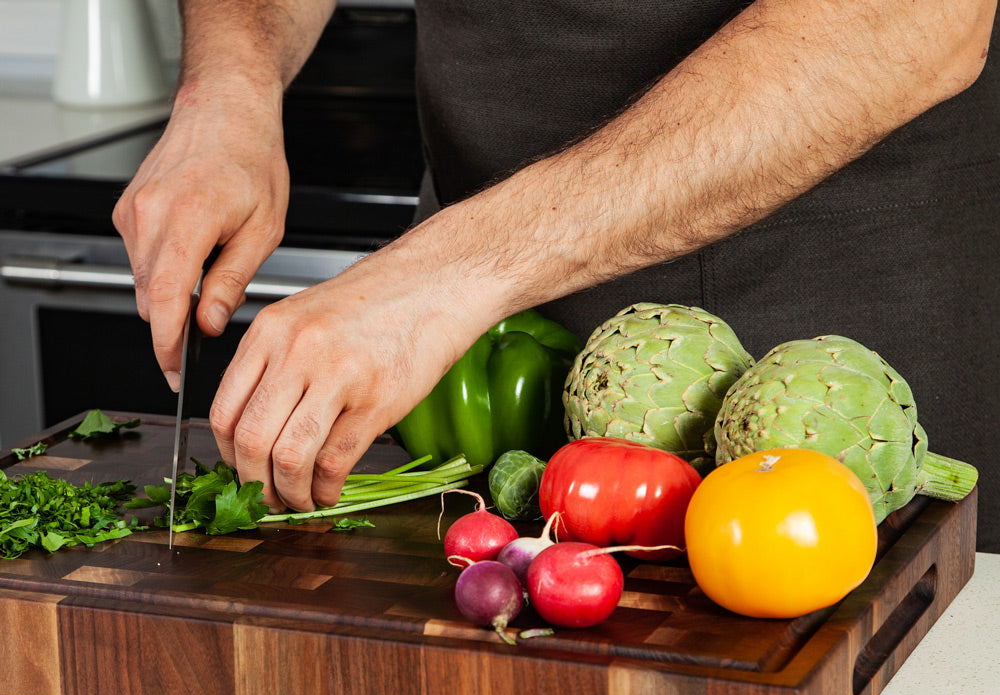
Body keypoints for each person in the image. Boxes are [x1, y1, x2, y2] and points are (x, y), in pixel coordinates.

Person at [113, 1, 999, 552]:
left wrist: (445, 273)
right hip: (468, 333)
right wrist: (227, 86)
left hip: (829, 345)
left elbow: (915, 18)